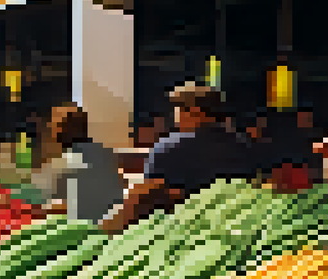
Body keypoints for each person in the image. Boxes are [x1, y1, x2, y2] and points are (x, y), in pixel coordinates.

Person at [103, 83, 254, 233]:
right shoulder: (242, 145)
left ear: (194, 112)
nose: (174, 114)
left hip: (182, 230)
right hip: (236, 225)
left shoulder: (170, 148)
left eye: (177, 108)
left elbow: (146, 195)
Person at [32, 104, 124, 223]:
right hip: (113, 224)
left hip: (81, 230)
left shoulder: (61, 166)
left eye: (55, 126)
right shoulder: (107, 154)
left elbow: (41, 203)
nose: (50, 130)